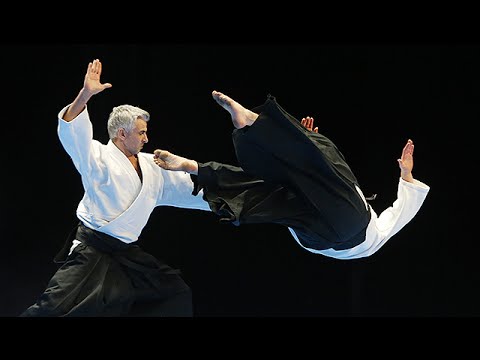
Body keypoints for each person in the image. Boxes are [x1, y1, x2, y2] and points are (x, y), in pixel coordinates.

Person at [20, 59, 212, 317]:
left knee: (174, 292)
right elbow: (72, 133)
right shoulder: (97, 158)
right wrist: (86, 94)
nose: (146, 138)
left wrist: (221, 201)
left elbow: (188, 189)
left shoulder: (153, 164)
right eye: (141, 132)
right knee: (52, 308)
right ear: (122, 134)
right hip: (91, 250)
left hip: (125, 254)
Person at [153, 90, 430, 260]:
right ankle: (195, 166)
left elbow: (399, 213)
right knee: (267, 187)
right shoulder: (335, 199)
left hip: (344, 229)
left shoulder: (359, 209)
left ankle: (253, 124)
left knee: (323, 159)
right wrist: (405, 177)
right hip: (316, 238)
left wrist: (406, 175)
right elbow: (401, 212)